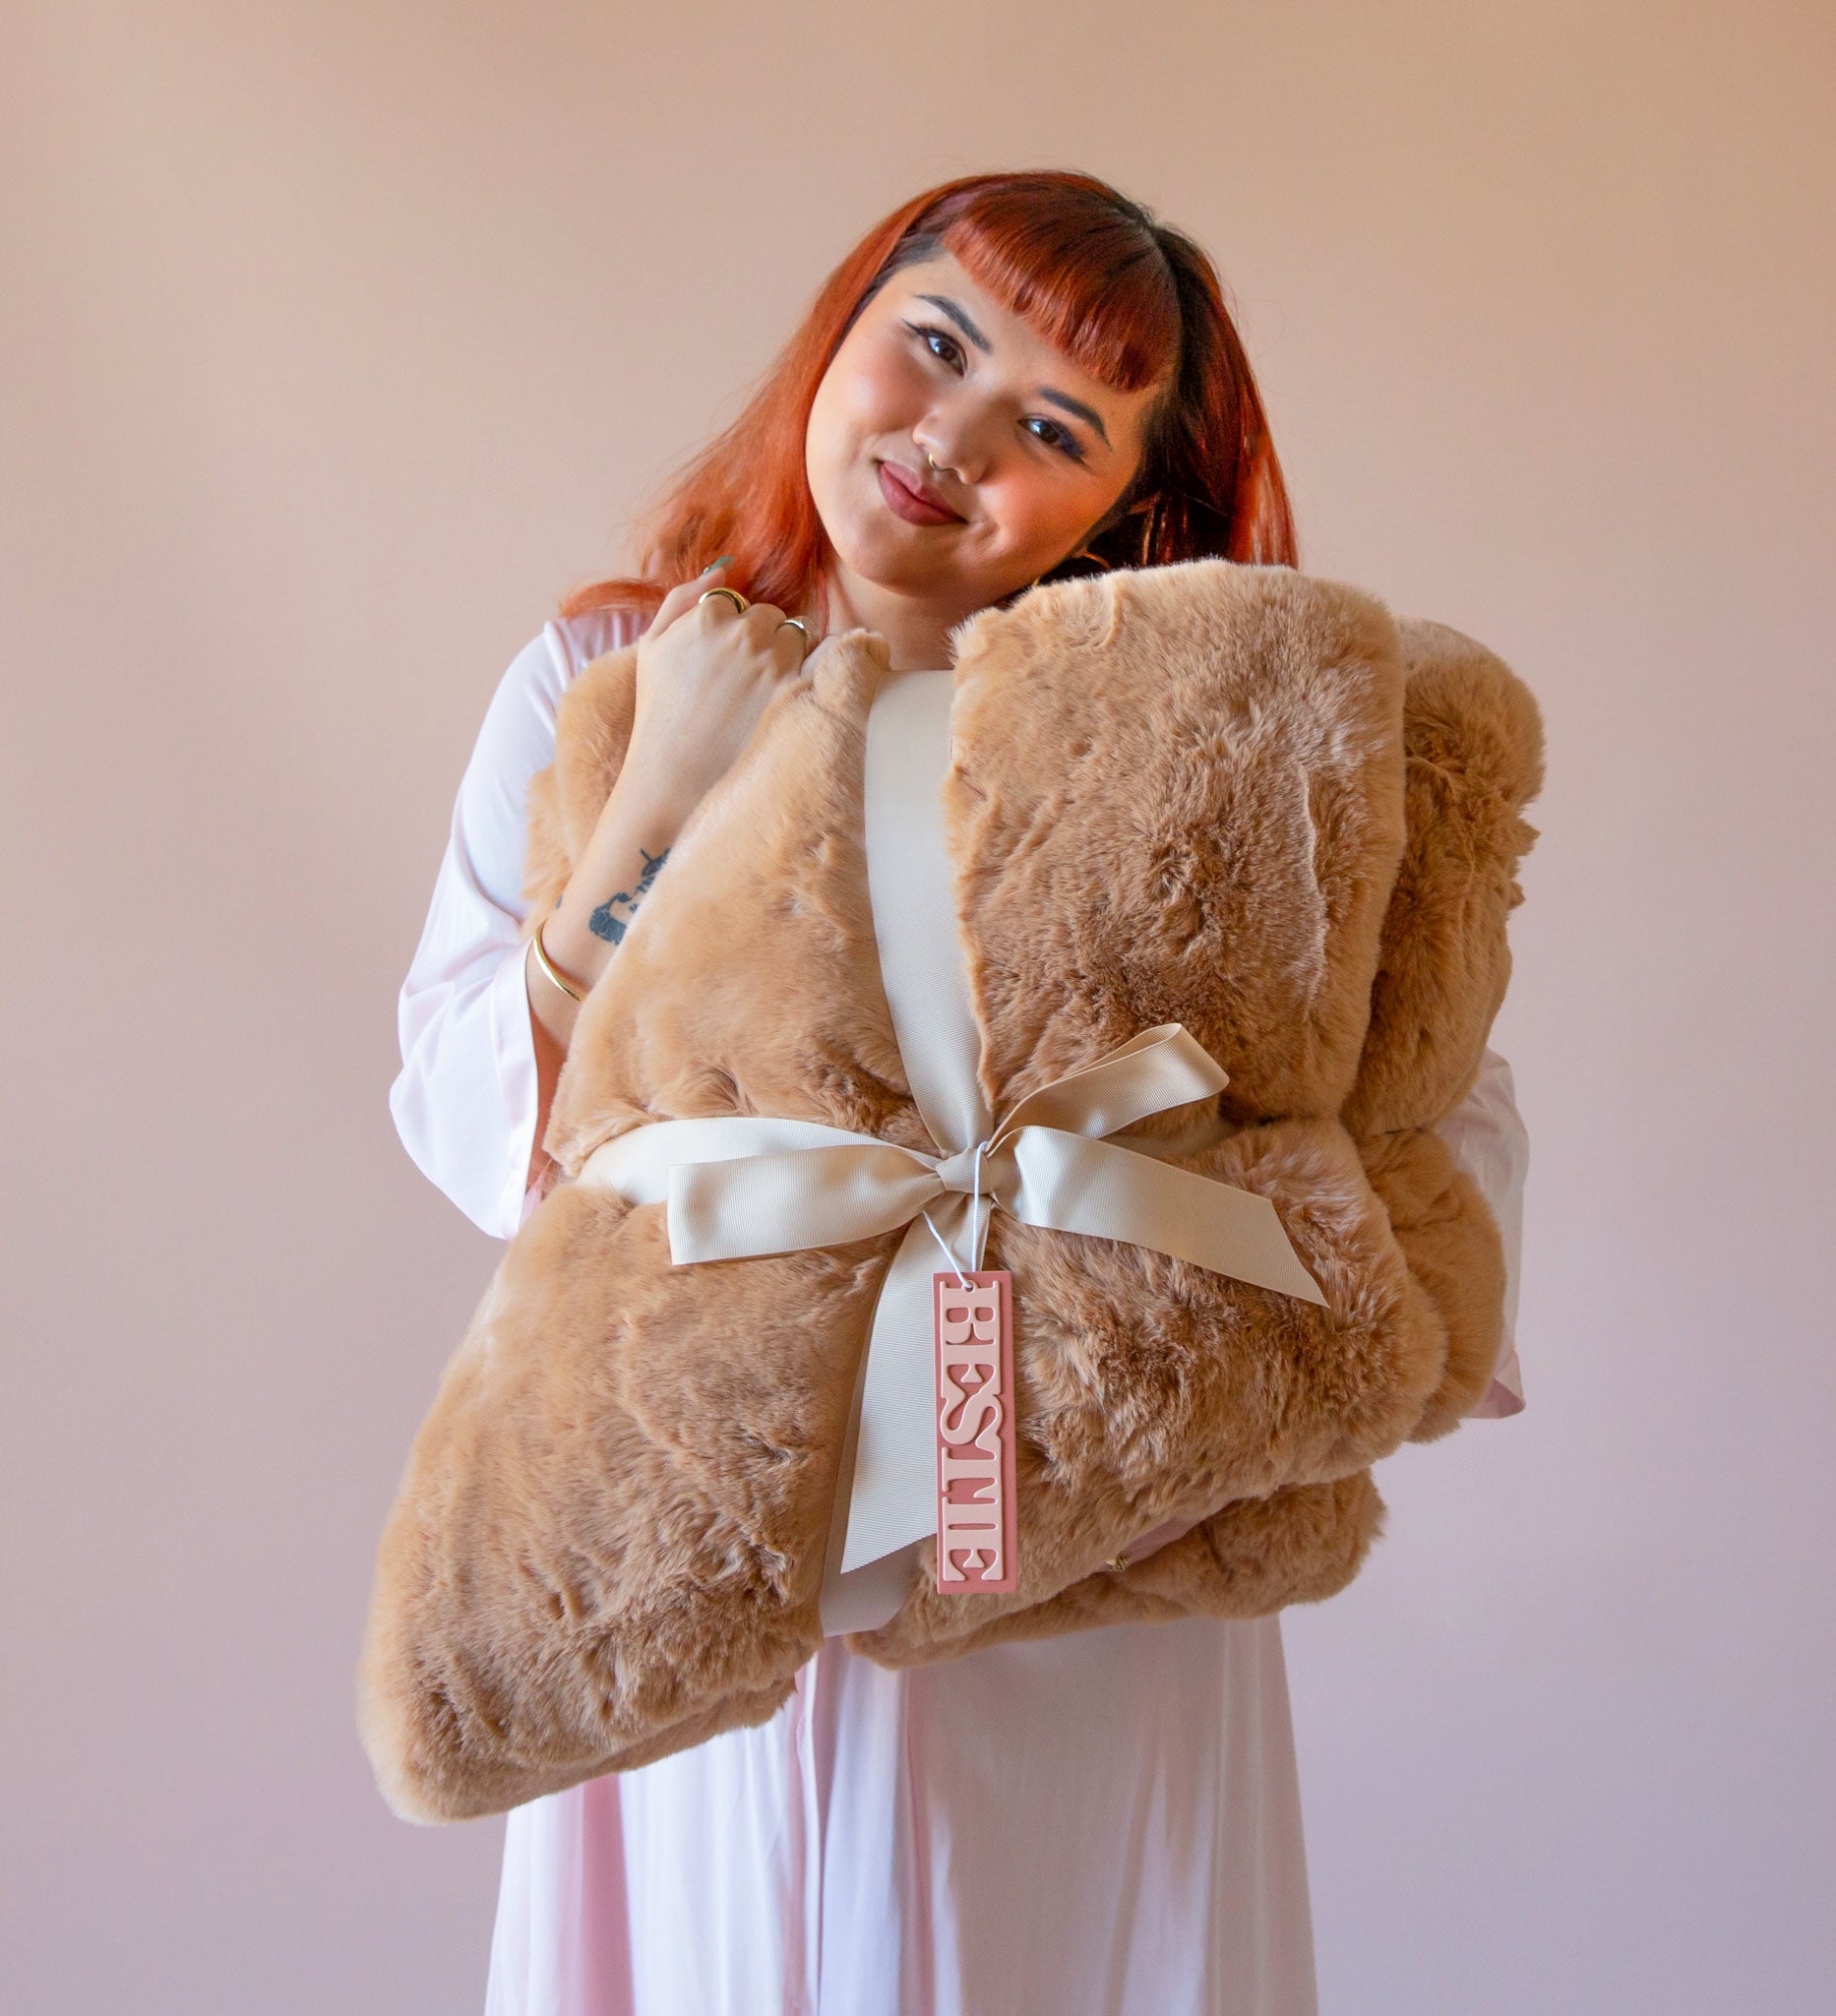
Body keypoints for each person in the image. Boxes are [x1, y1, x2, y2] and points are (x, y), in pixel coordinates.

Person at [389, 170, 1530, 2016]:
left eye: (1050, 424)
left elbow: (1433, 1085)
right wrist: (659, 794)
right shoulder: (605, 674)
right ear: (843, 327)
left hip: (1090, 1543)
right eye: (933, 343)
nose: (950, 435)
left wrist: (1292, 1373)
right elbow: (484, 1129)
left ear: (1128, 501)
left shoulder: (1194, 740)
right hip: (714, 1506)